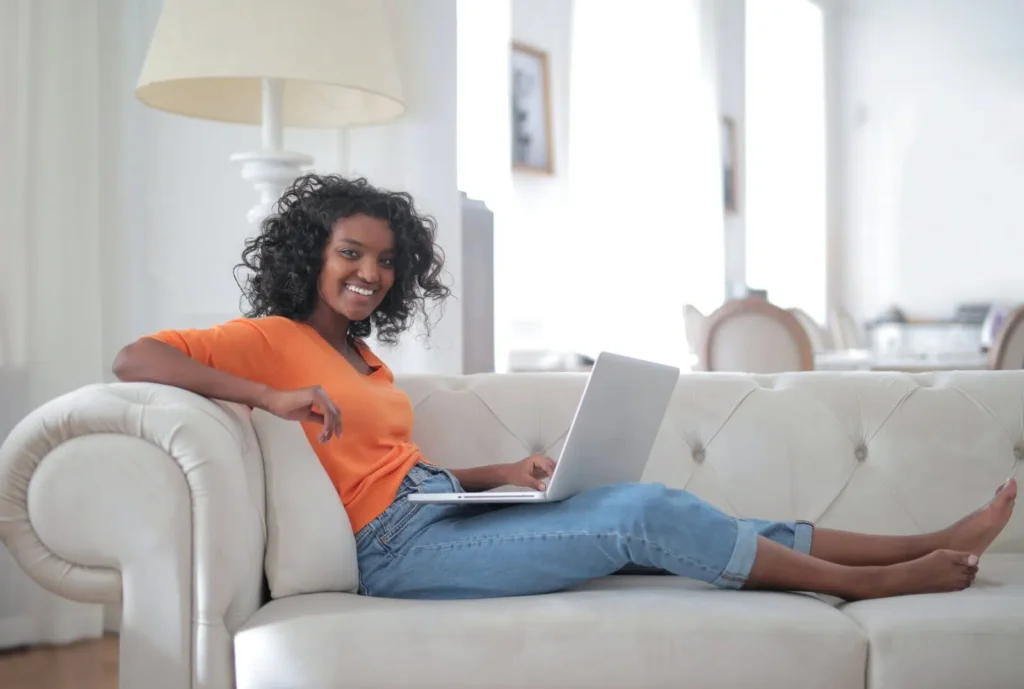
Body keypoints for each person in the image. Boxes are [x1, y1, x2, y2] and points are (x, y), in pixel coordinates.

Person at [113, 173, 1017, 601]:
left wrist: (494, 470)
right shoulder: (268, 340)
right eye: (351, 253)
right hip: (391, 554)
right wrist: (264, 398)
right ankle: (866, 583)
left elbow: (386, 465)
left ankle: (927, 537)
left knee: (662, 509)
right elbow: (136, 358)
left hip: (428, 514)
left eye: (386, 260)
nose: (370, 273)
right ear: (311, 253)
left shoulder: (363, 358)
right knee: (644, 512)